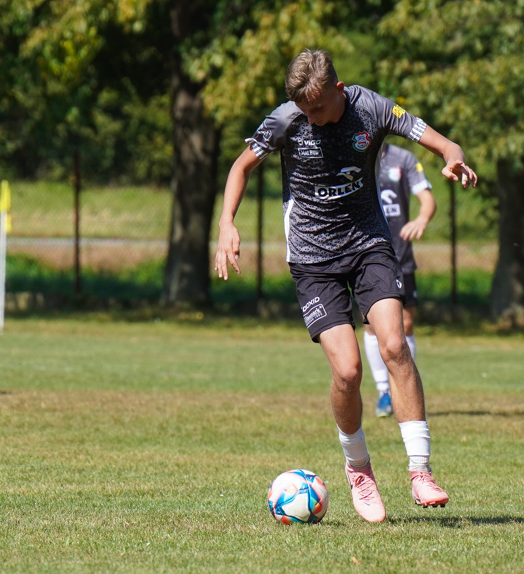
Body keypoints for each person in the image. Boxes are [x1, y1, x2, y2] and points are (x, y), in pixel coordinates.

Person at [214, 49, 476, 523]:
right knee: (349, 371)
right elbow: (240, 167)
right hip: (313, 261)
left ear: (338, 89)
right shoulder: (287, 120)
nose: (311, 118)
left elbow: (444, 144)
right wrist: (226, 224)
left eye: (318, 108)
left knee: (395, 345)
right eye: (304, 110)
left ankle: (420, 469)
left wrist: (454, 161)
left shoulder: (373, 108)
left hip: (369, 244)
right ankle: (359, 469)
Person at [365, 143, 436, 418]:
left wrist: (422, 218)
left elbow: (427, 199)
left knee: (405, 324)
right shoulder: (352, 151)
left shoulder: (402, 159)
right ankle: (384, 392)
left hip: (400, 255)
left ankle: (404, 391)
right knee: (372, 326)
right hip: (367, 255)